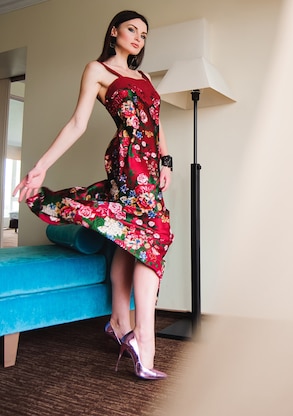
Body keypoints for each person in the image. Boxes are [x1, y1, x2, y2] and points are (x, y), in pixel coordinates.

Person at [13, 10, 173, 380]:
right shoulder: (98, 70)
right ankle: (144, 342)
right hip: (127, 163)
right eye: (132, 29)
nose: (138, 38)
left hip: (150, 167)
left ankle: (120, 323)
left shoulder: (145, 76)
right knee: (152, 240)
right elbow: (77, 123)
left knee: (128, 240)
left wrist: (166, 161)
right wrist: (42, 165)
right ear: (114, 30)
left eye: (144, 35)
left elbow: (156, 123)